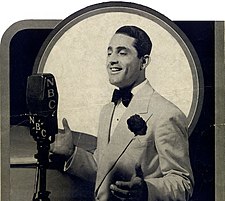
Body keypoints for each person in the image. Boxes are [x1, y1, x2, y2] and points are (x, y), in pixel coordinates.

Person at [51, 25, 194, 201]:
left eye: (122, 52)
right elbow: (103, 170)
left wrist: (147, 190)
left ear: (144, 61)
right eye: (109, 52)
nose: (111, 60)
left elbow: (183, 183)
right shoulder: (107, 111)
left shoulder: (166, 113)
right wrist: (71, 153)